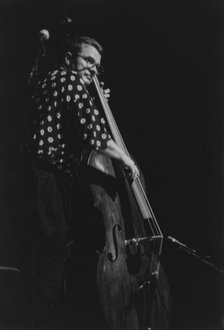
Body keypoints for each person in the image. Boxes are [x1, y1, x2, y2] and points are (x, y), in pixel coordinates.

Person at [28, 35, 140, 328]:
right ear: (69, 58)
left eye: (97, 64)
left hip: (37, 174)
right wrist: (126, 159)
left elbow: (72, 125)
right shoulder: (69, 81)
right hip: (49, 177)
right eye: (87, 60)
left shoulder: (49, 79)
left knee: (48, 253)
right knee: (54, 256)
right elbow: (95, 136)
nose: (92, 68)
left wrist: (92, 99)